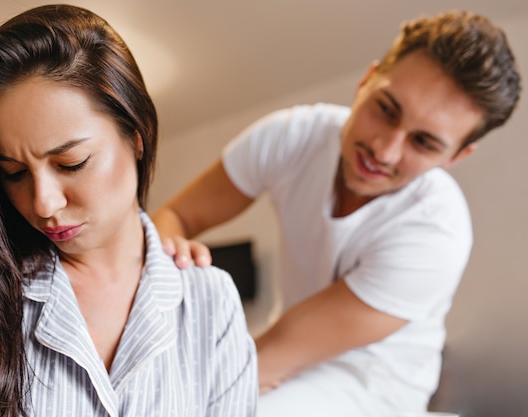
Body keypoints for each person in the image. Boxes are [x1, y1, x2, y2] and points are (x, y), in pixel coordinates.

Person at [152, 10, 521, 417]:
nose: (385, 151)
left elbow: (272, 358)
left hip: (373, 383)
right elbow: (173, 218)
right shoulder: (291, 137)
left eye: (423, 142)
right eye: (386, 109)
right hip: (282, 342)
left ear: (455, 156)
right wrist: (167, 259)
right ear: (367, 81)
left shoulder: (436, 233)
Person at [0, 4, 257, 417]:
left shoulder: (210, 301)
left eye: (71, 163)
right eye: (14, 173)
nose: (43, 203)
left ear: (137, 137)